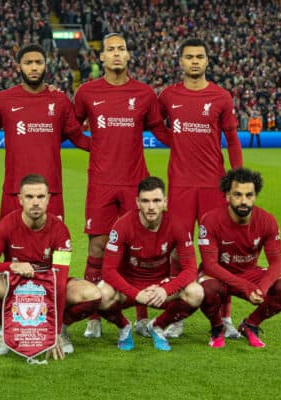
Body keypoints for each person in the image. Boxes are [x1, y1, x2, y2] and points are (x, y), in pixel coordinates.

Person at [73, 34, 170, 339]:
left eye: (121, 49)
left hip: (134, 184)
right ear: (101, 57)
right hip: (101, 183)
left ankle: (141, 317)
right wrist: (96, 147)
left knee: (137, 250)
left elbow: (160, 131)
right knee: (97, 249)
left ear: (129, 56)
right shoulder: (87, 92)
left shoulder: (144, 93)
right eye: (110, 49)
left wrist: (194, 137)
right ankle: (93, 316)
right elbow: (73, 130)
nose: (116, 54)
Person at [157, 37, 243, 339]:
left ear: (207, 61)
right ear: (180, 61)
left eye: (200, 56)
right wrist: (176, 143)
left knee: (218, 255)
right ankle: (177, 316)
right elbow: (154, 125)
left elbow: (232, 139)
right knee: (179, 254)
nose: (195, 61)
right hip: (180, 185)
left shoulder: (221, 97)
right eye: (189, 57)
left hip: (212, 185)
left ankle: (225, 318)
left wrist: (237, 178)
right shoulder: (168, 96)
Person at [0, 174, 101, 357]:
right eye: (29, 197)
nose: (35, 202)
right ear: (20, 199)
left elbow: (60, 280)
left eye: (40, 197)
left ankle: (62, 328)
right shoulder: (7, 224)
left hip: (48, 286)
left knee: (92, 294)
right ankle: (5, 329)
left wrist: (54, 331)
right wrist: (12, 267)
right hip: (15, 286)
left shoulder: (60, 229)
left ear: (48, 199)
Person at [0, 43, 90, 221]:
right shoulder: (3, 100)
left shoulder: (60, 100)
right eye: (28, 63)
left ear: (46, 65)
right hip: (14, 191)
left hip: (50, 191)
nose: (33, 67)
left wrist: (112, 145)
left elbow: (78, 137)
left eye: (38, 62)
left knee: (55, 247)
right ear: (18, 67)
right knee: (12, 247)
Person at [96, 176, 203, 351]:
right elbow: (108, 271)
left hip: (160, 287)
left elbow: (191, 269)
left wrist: (165, 289)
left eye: (156, 200)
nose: (151, 206)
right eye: (145, 201)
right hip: (129, 286)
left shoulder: (177, 225)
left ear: (165, 202)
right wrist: (135, 294)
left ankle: (158, 325)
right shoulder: (122, 226)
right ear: (137, 202)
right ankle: (124, 327)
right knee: (100, 294)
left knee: (196, 292)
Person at [198, 168, 281, 348]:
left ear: (255, 196)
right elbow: (210, 265)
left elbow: (276, 263)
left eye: (249, 195)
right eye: (237, 195)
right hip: (219, 274)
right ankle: (217, 328)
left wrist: (262, 289)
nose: (244, 201)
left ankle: (250, 325)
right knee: (207, 289)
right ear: (227, 196)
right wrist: (246, 287)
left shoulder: (267, 220)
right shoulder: (210, 220)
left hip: (248, 273)